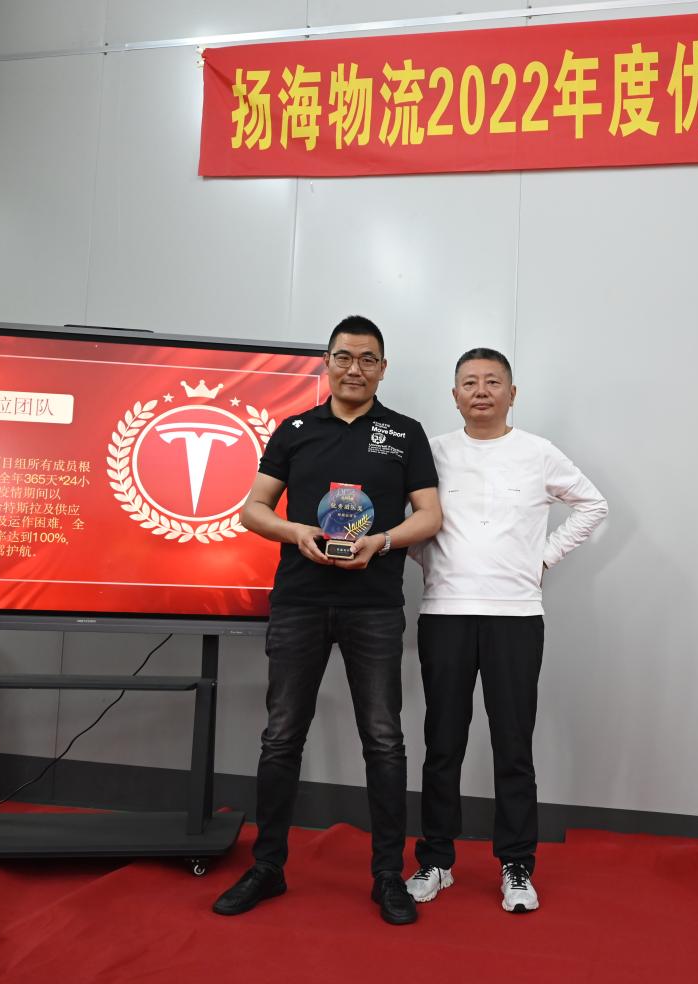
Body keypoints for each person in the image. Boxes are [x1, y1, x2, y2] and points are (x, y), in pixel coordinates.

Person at [212, 315, 441, 925]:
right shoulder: (294, 430)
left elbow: (430, 516)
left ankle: (388, 875)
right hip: (300, 601)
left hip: (374, 606)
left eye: (368, 359)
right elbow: (253, 510)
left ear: (383, 369)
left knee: (384, 740)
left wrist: (382, 542)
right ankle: (268, 866)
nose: (354, 369)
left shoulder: (405, 433)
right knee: (281, 735)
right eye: (344, 357)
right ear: (327, 362)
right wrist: (296, 532)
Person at [406, 347, 608, 914]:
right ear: (454, 395)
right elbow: (408, 521)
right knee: (442, 742)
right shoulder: (434, 453)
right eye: (469, 382)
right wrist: (432, 560)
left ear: (512, 394)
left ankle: (517, 865)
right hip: (445, 612)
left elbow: (593, 505)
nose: (481, 391)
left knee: (513, 745)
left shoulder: (538, 453)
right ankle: (436, 860)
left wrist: (543, 557)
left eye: (493, 382)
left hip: (516, 616)